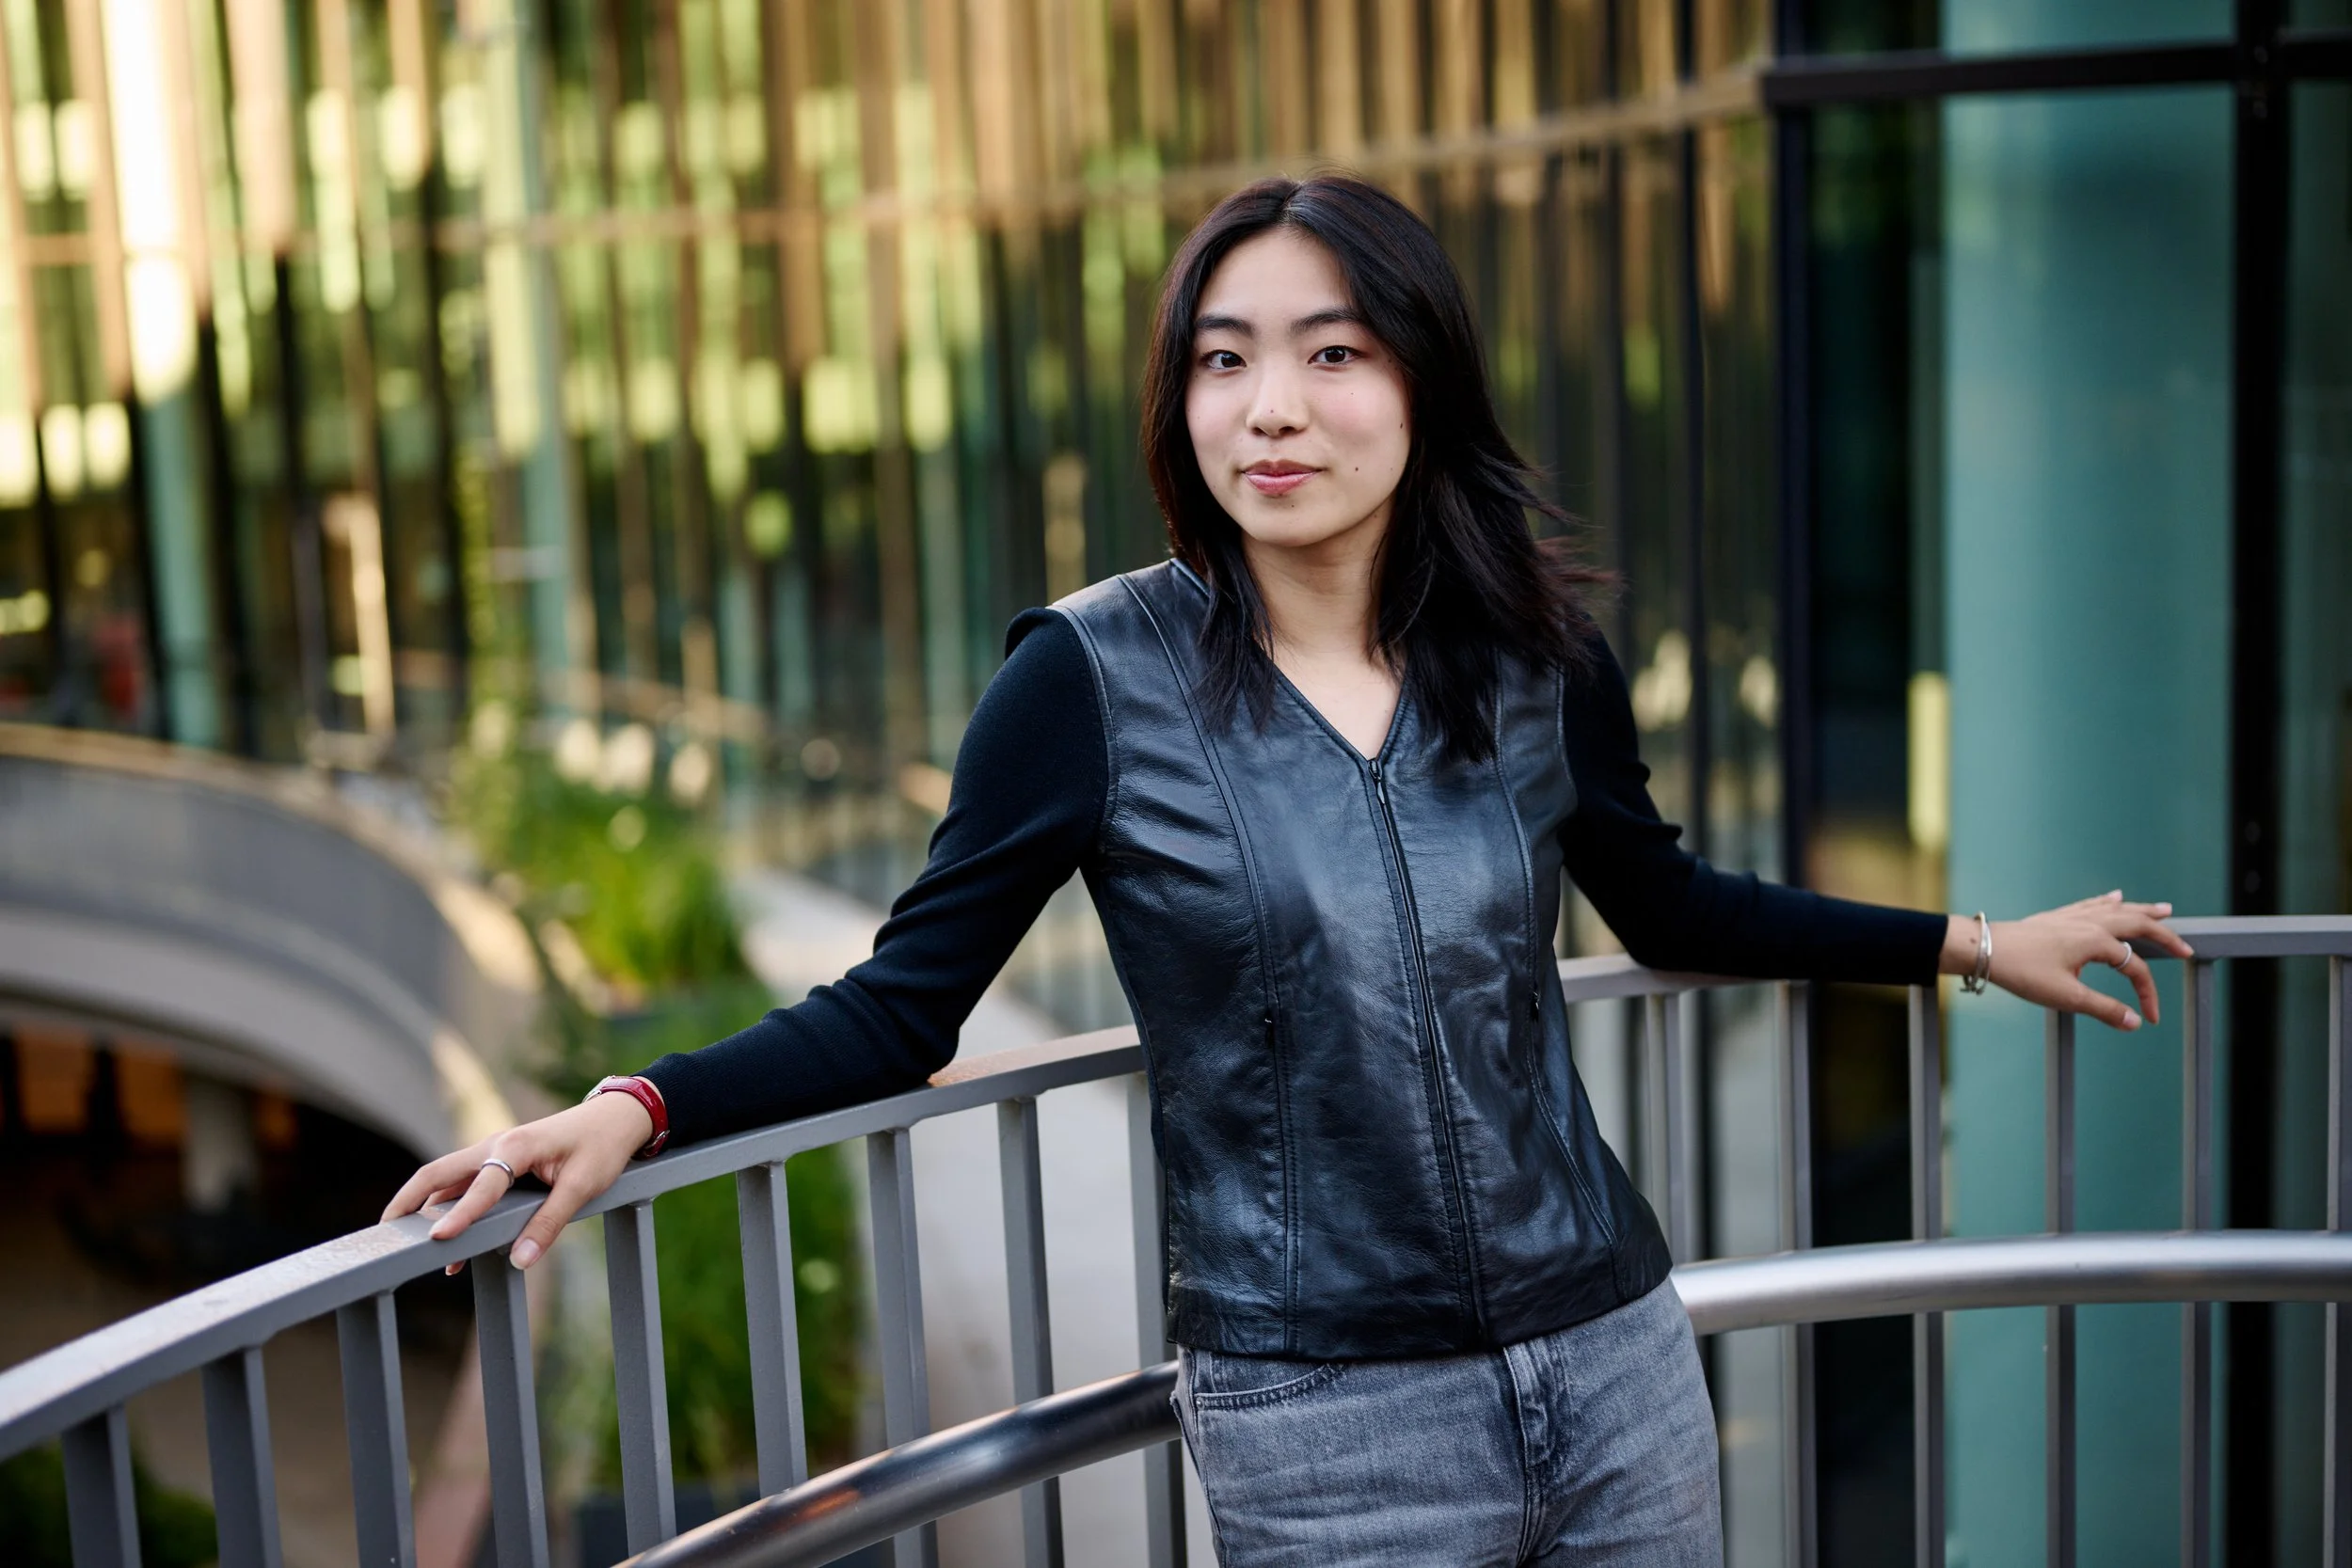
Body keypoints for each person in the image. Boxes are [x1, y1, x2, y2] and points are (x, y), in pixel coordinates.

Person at [388, 174, 2192, 1565]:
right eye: (1223, 358)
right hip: (1327, 1419)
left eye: (1332, 352)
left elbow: (1667, 900)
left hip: (1618, 1357)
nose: (1273, 406)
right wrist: (637, 1104)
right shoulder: (1088, 681)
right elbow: (899, 1005)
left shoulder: (1534, 652)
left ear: (1421, 382)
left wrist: (1971, 938)